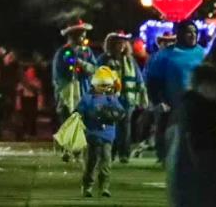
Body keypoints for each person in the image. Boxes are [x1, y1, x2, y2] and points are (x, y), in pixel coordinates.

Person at [146, 19, 205, 165]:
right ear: (179, 34)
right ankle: (164, 157)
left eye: (195, 32)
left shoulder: (202, 53)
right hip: (171, 104)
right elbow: (153, 80)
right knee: (169, 132)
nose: (192, 35)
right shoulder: (165, 55)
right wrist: (158, 101)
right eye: (188, 32)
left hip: (196, 104)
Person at [166, 62, 216, 206]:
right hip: (199, 189)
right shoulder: (199, 112)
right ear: (205, 85)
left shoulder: (186, 108)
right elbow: (202, 155)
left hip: (185, 188)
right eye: (215, 86)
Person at [76, 66, 126, 198]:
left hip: (107, 136)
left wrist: (113, 114)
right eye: (101, 85)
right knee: (91, 162)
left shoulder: (112, 99)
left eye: (106, 85)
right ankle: (88, 186)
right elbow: (78, 112)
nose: (104, 88)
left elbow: (121, 113)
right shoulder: (88, 98)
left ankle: (104, 187)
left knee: (106, 162)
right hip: (91, 136)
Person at [97, 32, 146, 162]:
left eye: (124, 42)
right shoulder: (104, 60)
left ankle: (124, 154)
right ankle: (110, 154)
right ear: (112, 44)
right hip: (110, 100)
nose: (122, 45)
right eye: (119, 42)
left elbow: (139, 79)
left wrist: (142, 96)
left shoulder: (130, 60)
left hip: (127, 99)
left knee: (125, 128)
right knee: (111, 127)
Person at [52, 19, 95, 161]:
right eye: (79, 34)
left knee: (82, 122)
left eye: (84, 34)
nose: (82, 37)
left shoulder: (87, 52)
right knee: (67, 121)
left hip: (84, 91)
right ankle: (67, 149)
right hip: (67, 92)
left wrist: (84, 65)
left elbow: (94, 69)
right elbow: (58, 75)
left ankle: (78, 151)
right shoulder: (63, 52)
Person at [15, 64, 44, 140]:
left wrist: (40, 103)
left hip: (33, 101)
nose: (31, 73)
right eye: (29, 72)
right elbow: (18, 94)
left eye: (32, 72)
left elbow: (40, 94)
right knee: (25, 118)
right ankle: (24, 134)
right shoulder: (22, 82)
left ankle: (32, 134)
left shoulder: (37, 81)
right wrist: (18, 104)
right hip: (25, 101)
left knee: (32, 118)